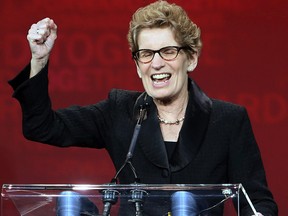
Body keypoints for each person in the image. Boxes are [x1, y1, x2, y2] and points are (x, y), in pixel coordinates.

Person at [8, 0, 277, 215]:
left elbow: (259, 205)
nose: (156, 64)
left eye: (168, 51)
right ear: (138, 65)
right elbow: (41, 127)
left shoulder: (228, 120)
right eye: (146, 54)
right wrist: (39, 60)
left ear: (191, 58)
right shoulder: (119, 111)